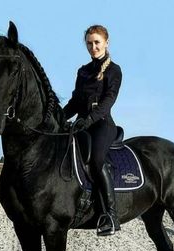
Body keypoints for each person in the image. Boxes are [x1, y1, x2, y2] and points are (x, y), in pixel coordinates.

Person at [63, 25, 122, 236]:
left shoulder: (114, 70)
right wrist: (57, 118)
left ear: (106, 42)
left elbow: (108, 101)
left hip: (102, 124)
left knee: (97, 160)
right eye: (89, 43)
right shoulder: (83, 71)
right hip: (82, 123)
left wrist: (88, 120)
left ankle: (110, 216)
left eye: (97, 42)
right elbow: (75, 102)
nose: (93, 46)